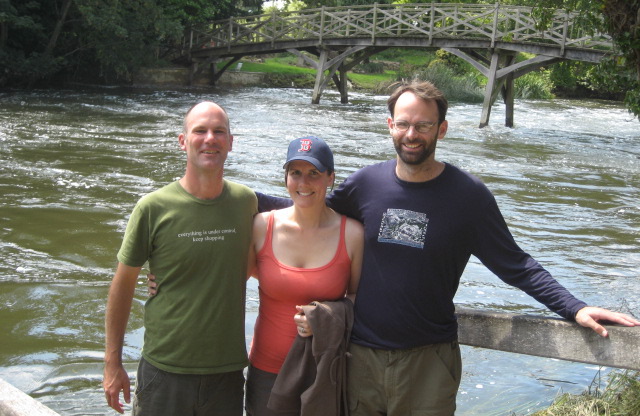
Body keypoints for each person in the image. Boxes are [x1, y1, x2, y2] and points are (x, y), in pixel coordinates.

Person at [258, 80, 640, 416]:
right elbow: (307, 205)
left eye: (423, 125)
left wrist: (574, 307)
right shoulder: (366, 184)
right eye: (404, 123)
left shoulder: (468, 196)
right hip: (361, 359)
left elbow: (515, 264)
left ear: (441, 130)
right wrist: (236, 198)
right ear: (390, 126)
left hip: (429, 360)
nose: (412, 133)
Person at [103, 101, 257, 415]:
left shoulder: (246, 203)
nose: (210, 138)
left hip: (226, 373)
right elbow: (122, 287)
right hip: (164, 370)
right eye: (200, 130)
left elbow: (255, 263)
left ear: (230, 142)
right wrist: (112, 364)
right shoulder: (152, 208)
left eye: (219, 131)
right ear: (183, 141)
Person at [245, 135, 364, 416]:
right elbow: (228, 275)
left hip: (324, 372)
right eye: (295, 173)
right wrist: (167, 281)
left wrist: (324, 319)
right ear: (286, 177)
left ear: (331, 178)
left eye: (314, 174)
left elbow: (359, 297)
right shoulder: (262, 226)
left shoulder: (352, 235)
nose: (303, 183)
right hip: (266, 371)